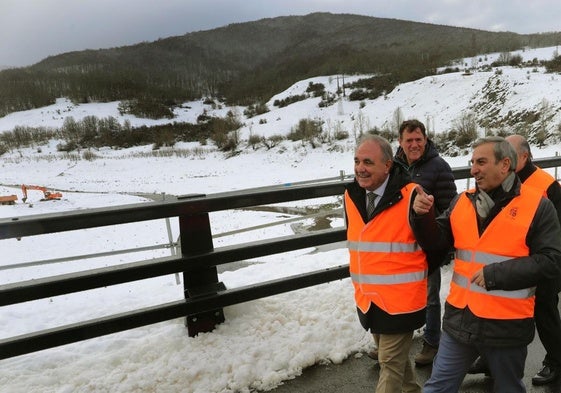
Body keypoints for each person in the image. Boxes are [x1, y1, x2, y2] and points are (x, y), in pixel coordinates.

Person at [410, 136, 561, 393]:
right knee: (437, 387)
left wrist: (496, 275)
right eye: (472, 162)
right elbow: (437, 242)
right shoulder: (462, 201)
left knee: (508, 388)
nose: (473, 170)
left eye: (481, 162)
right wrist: (422, 216)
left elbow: (552, 260)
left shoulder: (538, 206)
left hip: (506, 326)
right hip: (460, 321)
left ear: (505, 165)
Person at [345, 134, 440, 392]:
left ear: (387, 165)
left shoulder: (411, 195)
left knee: (389, 363)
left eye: (368, 162)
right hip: (369, 299)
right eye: (356, 161)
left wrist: (424, 216)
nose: (360, 168)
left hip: (401, 302)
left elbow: (435, 246)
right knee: (397, 364)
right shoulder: (351, 194)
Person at [468, 134, 561, 385]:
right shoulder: (500, 182)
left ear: (523, 156)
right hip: (508, 265)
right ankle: (489, 359)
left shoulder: (546, 184)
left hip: (538, 265)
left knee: (545, 313)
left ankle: (555, 361)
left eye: (510, 153)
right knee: (496, 313)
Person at [393, 119, 457, 367]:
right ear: (400, 142)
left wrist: (440, 239)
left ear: (426, 140)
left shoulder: (439, 166)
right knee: (399, 293)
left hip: (427, 244)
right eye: (409, 140)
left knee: (430, 296)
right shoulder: (394, 166)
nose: (414, 144)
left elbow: (450, 206)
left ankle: (432, 342)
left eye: (418, 139)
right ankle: (394, 342)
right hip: (399, 243)